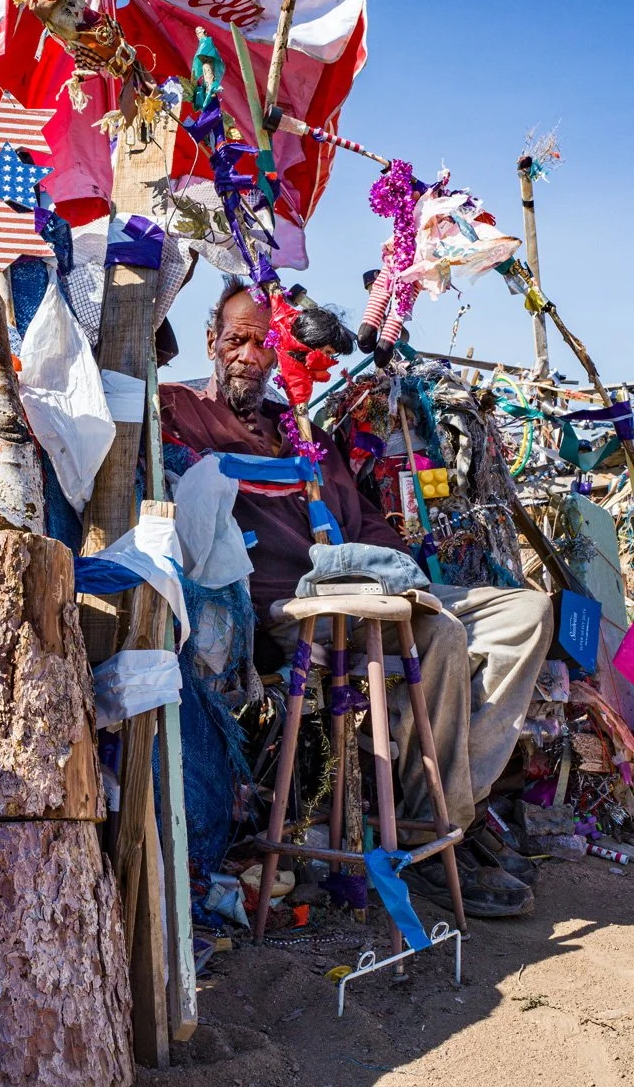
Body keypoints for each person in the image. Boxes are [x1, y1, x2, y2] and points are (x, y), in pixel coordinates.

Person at [160, 277, 554, 917]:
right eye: (237, 339)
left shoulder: (299, 428)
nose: (250, 354)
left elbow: (365, 520)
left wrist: (398, 569)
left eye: (267, 342)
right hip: (289, 603)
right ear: (211, 341)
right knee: (442, 637)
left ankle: (454, 802)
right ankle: (435, 832)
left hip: (364, 582)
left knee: (527, 611)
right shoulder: (180, 410)